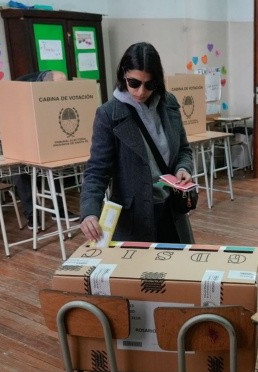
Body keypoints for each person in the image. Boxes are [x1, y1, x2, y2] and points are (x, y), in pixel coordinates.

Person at [80, 42, 194, 243]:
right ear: (123, 75)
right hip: (134, 219)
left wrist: (183, 168)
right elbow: (97, 170)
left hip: (172, 211)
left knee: (179, 262)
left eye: (149, 85)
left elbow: (183, 150)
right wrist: (90, 211)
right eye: (134, 83)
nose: (141, 91)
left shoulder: (169, 104)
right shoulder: (109, 114)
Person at [11, 70, 80, 229]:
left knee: (53, 169)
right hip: (19, 137)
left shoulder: (50, 89)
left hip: (43, 136)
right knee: (21, 174)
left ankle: (59, 211)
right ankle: (32, 215)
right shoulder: (20, 86)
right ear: (45, 84)